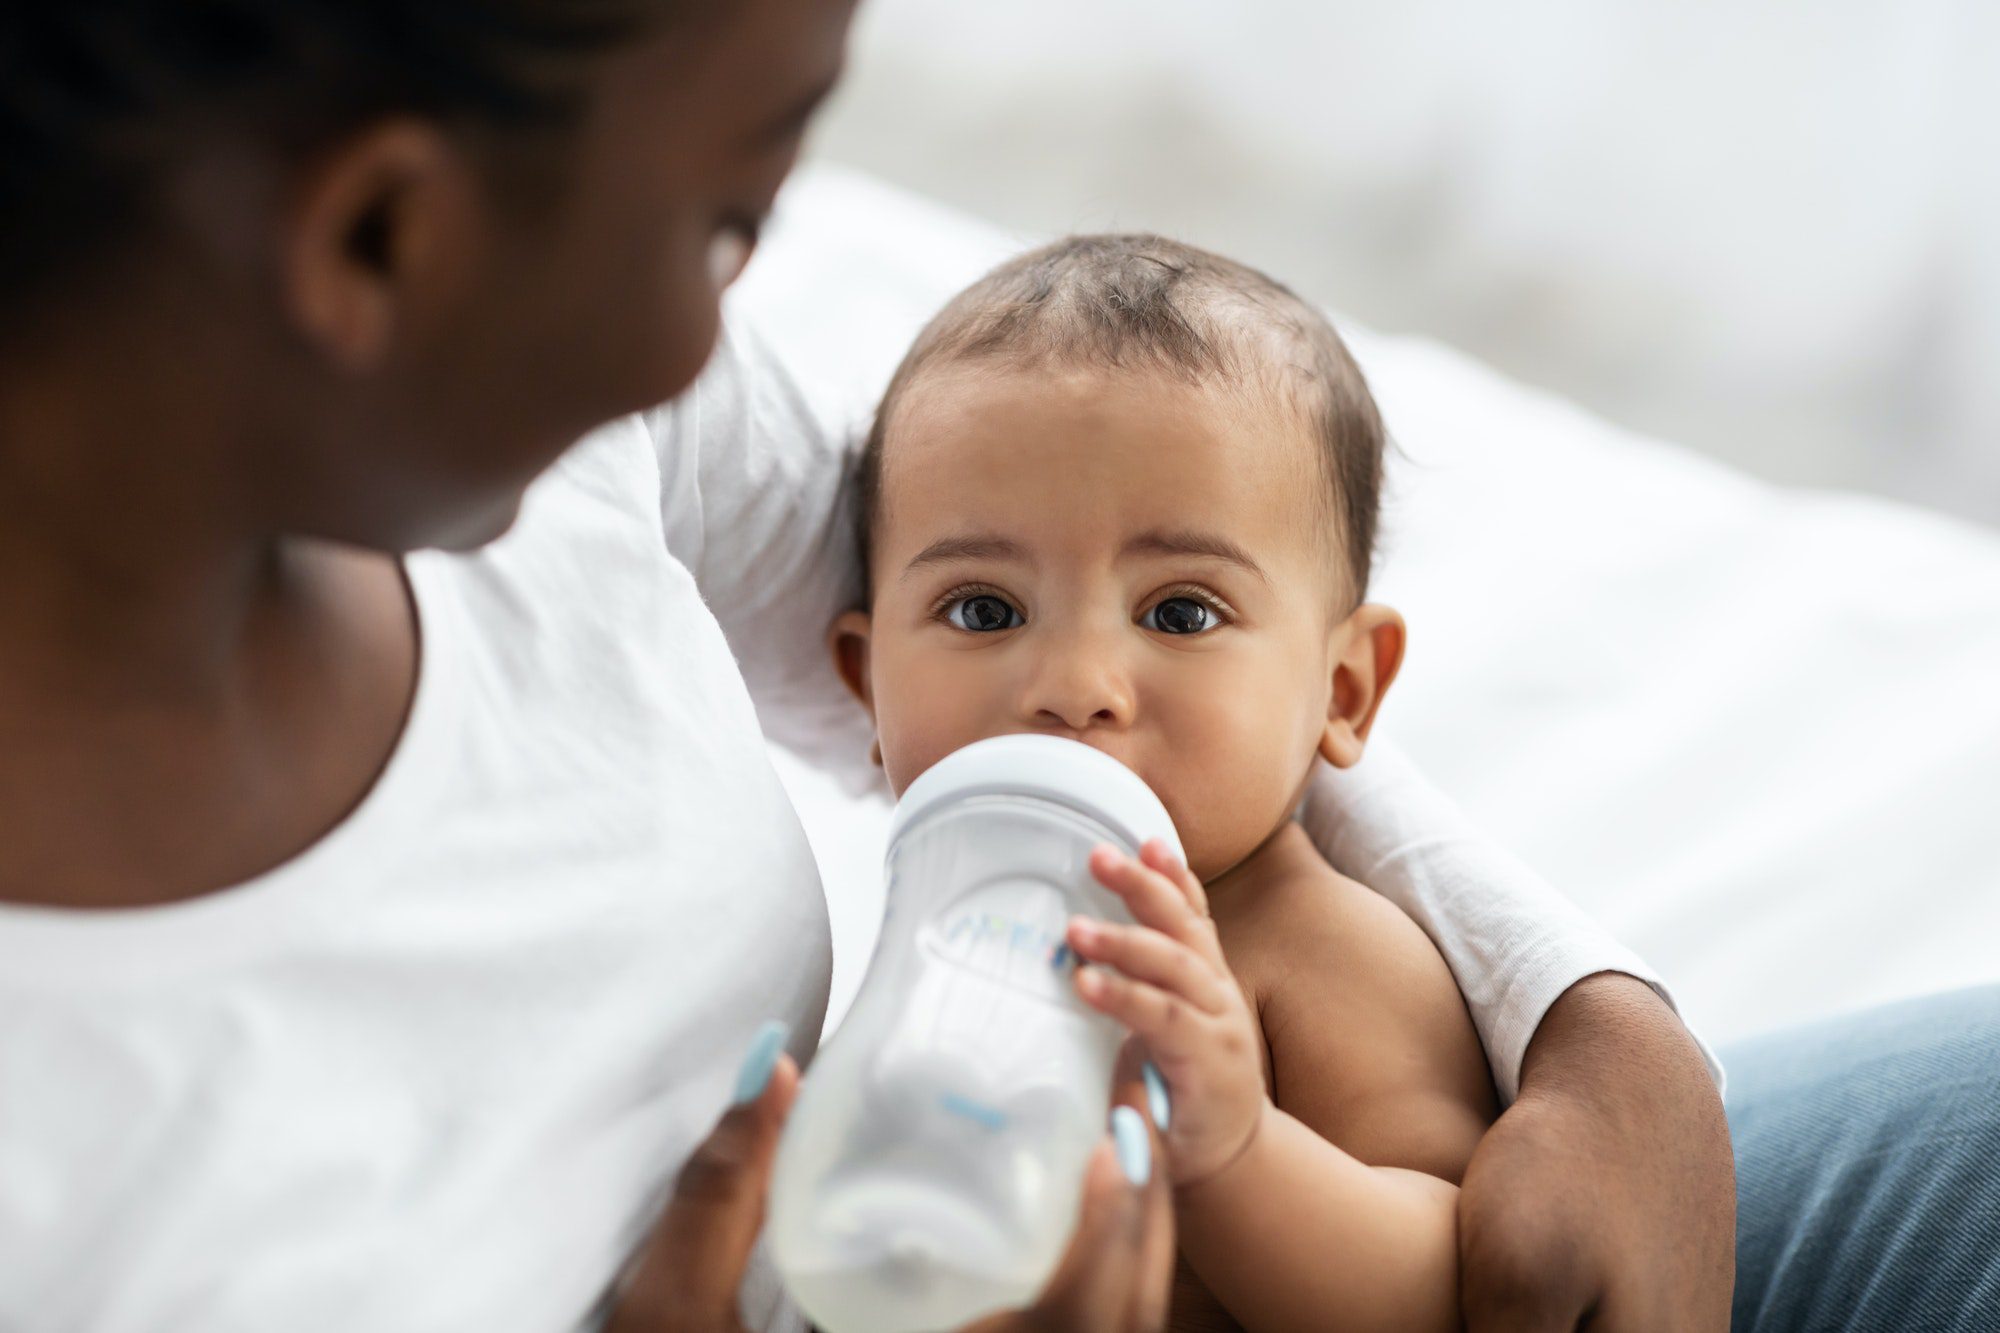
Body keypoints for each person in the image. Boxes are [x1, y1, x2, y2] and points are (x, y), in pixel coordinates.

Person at [34, 1, 1991, 1330]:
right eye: (723, 229)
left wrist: (1581, 1014)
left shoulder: (566, 444)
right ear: (382, 234)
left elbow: (1092, 642)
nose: (722, 345)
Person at [826, 233, 1496, 1331]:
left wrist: (1236, 1144)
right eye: (982, 610)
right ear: (864, 683)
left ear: (1340, 691)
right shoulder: (942, 926)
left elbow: (1447, 1288)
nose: (1074, 685)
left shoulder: (1322, 951)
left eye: (1180, 611)